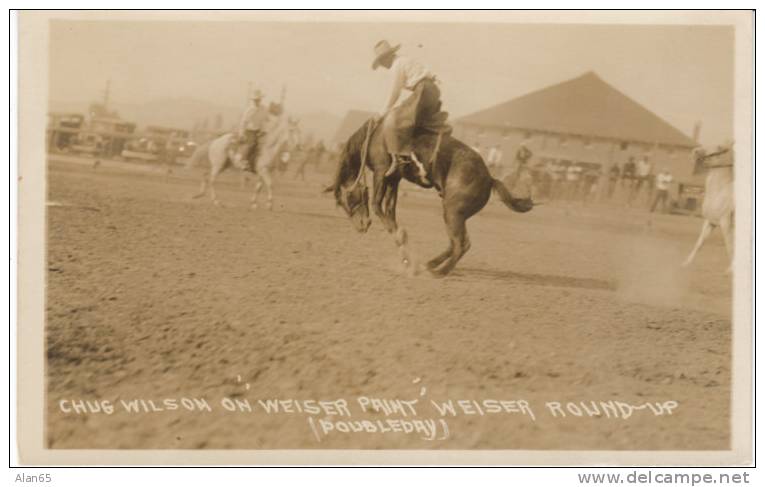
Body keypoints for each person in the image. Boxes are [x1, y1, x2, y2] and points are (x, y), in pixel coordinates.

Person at [372, 40, 448, 182]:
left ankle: (399, 158)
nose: (382, 65)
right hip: (432, 91)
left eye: (382, 61)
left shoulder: (397, 65)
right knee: (412, 123)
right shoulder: (405, 60)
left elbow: (394, 92)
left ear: (388, 57)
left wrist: (382, 112)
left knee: (391, 120)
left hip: (423, 90)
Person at [233, 89, 269, 172]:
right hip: (249, 131)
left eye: (258, 100)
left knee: (265, 145)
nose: (257, 101)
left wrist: (265, 130)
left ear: (261, 100)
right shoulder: (249, 110)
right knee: (250, 144)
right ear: (253, 100)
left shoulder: (264, 109)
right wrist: (242, 133)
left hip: (259, 132)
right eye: (255, 100)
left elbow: (266, 120)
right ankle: (244, 162)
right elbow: (243, 122)